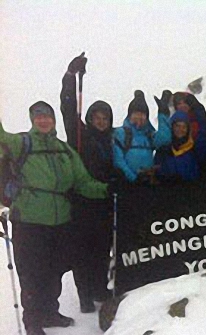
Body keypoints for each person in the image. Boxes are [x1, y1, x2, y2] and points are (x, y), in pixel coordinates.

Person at [0, 102, 108, 335]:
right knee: (32, 271)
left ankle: (50, 312)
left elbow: (82, 183)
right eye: (38, 117)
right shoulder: (22, 144)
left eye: (47, 116)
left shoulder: (64, 150)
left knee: (55, 269)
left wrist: (107, 190)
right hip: (29, 220)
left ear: (53, 120)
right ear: (32, 120)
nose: (43, 121)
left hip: (60, 220)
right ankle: (33, 321)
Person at [60, 53, 119, 312]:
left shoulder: (114, 138)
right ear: (90, 119)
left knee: (101, 247)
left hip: (105, 201)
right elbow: (67, 108)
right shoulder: (79, 134)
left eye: (105, 118)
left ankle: (98, 287)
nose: (101, 121)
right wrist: (70, 77)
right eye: (97, 117)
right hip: (82, 201)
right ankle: (84, 294)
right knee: (82, 250)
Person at [112, 90, 172, 183]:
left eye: (143, 114)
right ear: (130, 115)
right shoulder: (121, 133)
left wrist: (162, 114)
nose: (139, 116)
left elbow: (165, 139)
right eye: (136, 113)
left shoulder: (148, 134)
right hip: (128, 185)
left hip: (147, 182)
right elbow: (118, 160)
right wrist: (134, 178)